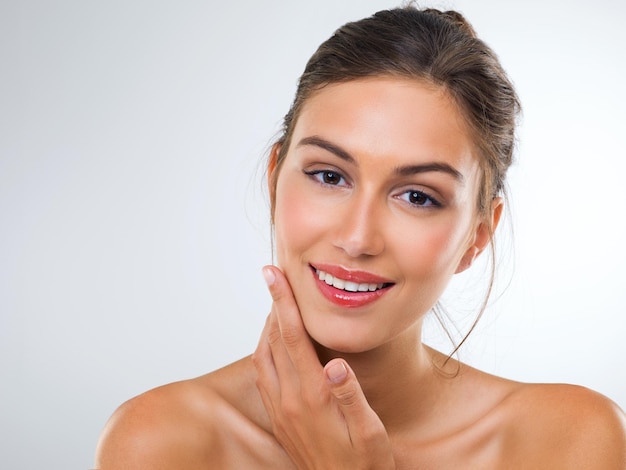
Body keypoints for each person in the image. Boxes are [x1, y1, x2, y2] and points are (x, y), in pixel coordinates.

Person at [94, 5, 626, 469]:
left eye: (418, 196)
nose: (357, 237)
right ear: (276, 177)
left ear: (477, 236)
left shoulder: (571, 442)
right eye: (329, 176)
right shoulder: (160, 442)